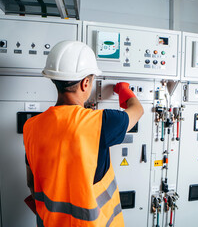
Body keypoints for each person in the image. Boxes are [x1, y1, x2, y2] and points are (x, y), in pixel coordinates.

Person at [23, 40, 144, 227]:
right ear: (86, 83)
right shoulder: (101, 122)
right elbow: (137, 110)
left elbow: (31, 182)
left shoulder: (31, 126)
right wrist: (123, 89)